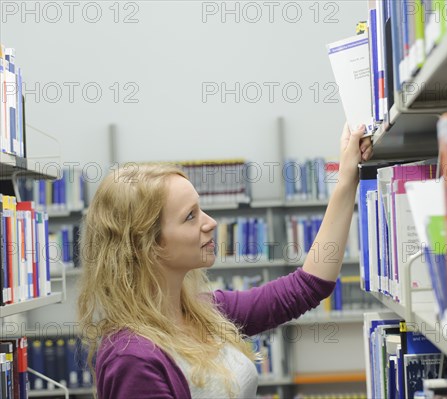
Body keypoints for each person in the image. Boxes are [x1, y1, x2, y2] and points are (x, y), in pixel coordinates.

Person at [77, 123, 373, 398]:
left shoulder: (205, 311)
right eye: (190, 216)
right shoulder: (132, 357)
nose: (211, 223)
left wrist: (347, 179)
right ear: (148, 245)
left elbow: (307, 287)